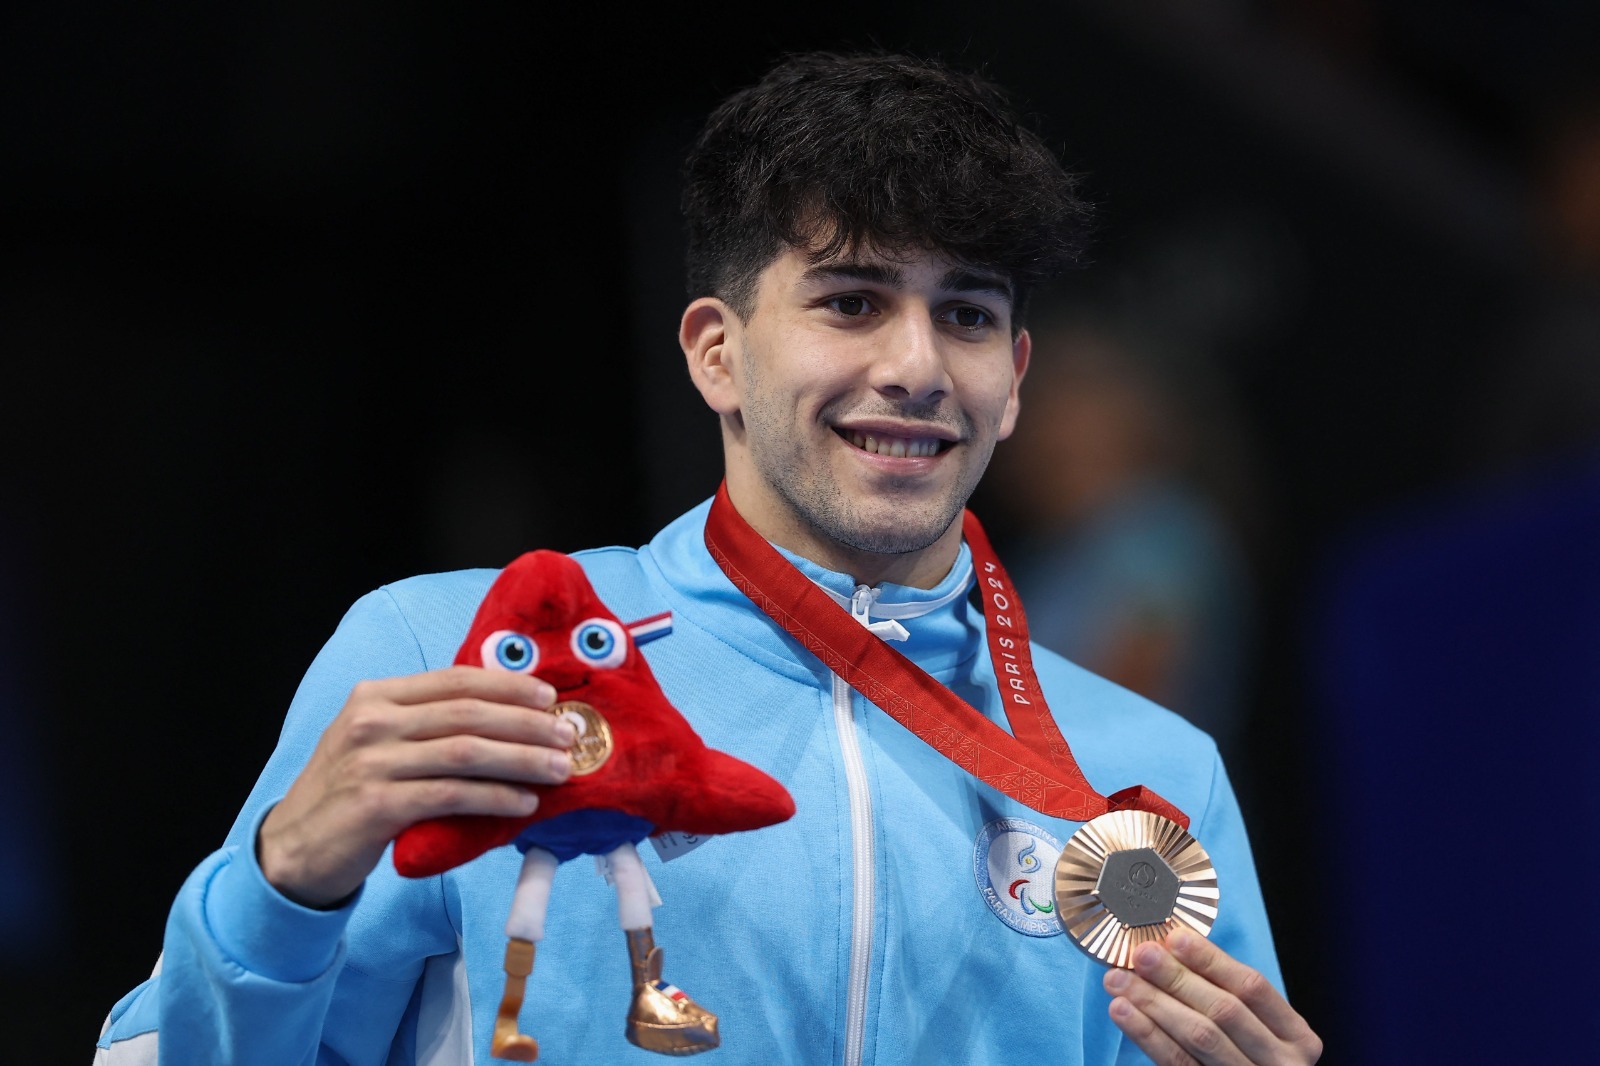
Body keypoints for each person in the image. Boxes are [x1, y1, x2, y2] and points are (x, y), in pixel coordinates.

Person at [95, 52, 1321, 1065]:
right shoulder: (457, 660)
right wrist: (283, 886)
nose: (917, 364)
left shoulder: (1147, 778)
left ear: (1013, 385)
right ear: (715, 353)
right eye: (850, 301)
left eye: (967, 312)